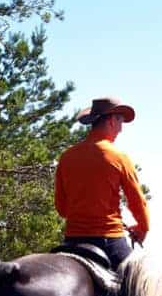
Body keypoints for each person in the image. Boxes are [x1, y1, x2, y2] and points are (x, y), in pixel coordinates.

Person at [54, 96, 149, 269]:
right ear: (112, 121)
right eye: (120, 123)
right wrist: (143, 227)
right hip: (108, 240)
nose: (121, 130)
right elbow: (137, 200)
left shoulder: (67, 156)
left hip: (72, 240)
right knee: (138, 284)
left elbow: (62, 208)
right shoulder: (118, 157)